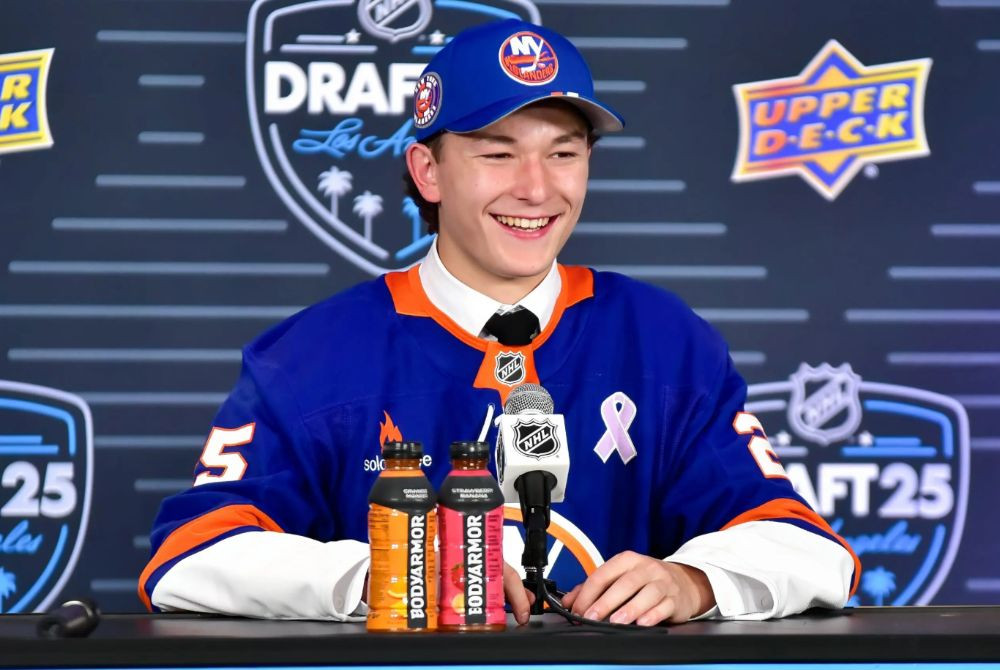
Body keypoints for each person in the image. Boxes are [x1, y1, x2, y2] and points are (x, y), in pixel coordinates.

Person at [139, 19, 859, 626]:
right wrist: (382, 575)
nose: (537, 188)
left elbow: (811, 548)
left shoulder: (664, 340)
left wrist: (696, 582)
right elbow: (189, 557)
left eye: (563, 154)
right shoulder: (311, 355)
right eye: (498, 153)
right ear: (428, 172)